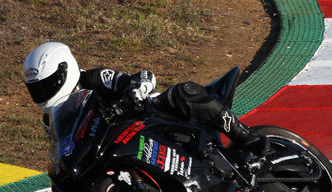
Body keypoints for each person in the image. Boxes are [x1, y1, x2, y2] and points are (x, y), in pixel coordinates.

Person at [22, 41, 268, 156]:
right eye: (38, 89)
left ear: (65, 70)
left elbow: (144, 77)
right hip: (120, 149)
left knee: (182, 92)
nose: (44, 94)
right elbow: (62, 151)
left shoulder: (94, 80)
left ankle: (246, 136)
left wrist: (135, 90)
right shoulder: (51, 120)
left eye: (48, 85)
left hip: (151, 120)